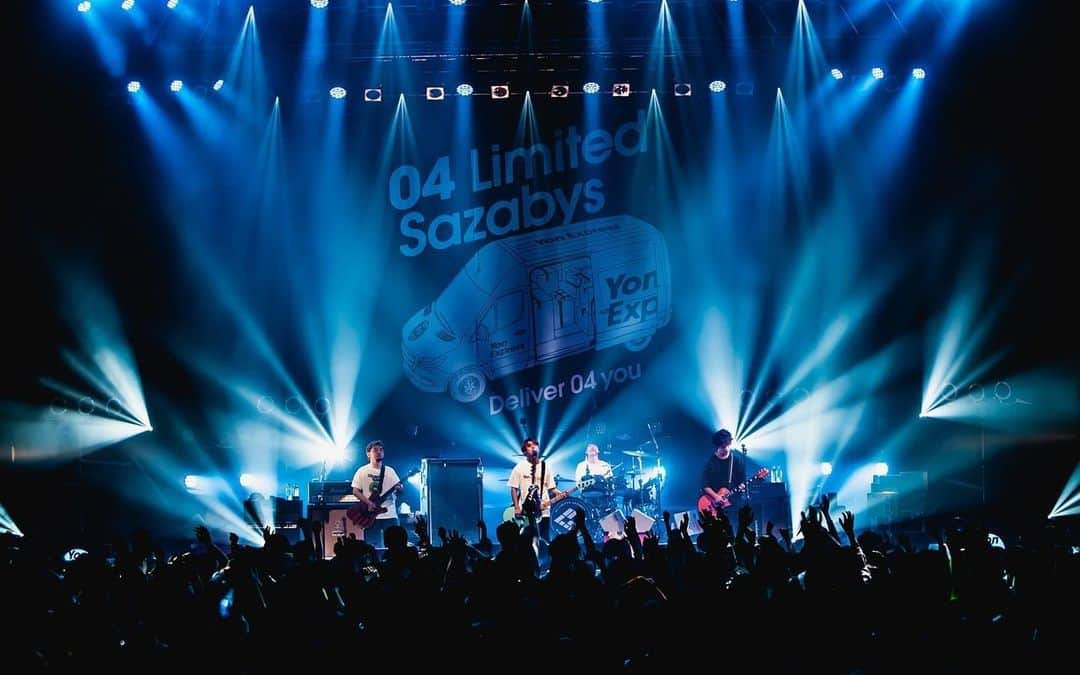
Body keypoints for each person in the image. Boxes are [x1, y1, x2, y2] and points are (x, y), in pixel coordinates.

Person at [351, 440, 404, 547]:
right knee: (372, 547)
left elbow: (400, 491)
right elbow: (355, 491)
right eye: (375, 450)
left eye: (381, 450)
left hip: (390, 514)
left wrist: (400, 489)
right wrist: (369, 503)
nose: (379, 452)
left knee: (395, 546)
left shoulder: (390, 471)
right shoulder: (362, 471)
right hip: (371, 516)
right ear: (368, 453)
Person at [508, 437, 563, 542]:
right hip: (526, 510)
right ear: (524, 452)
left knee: (544, 539)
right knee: (527, 540)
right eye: (529, 446)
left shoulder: (546, 466)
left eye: (535, 445)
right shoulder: (519, 467)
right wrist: (516, 507)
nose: (533, 447)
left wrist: (562, 494)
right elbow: (513, 488)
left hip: (543, 510)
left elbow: (552, 488)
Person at [700, 429, 747, 514]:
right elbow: (705, 485)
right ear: (718, 446)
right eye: (723, 447)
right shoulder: (710, 462)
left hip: (733, 504)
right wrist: (716, 497)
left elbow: (742, 481)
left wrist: (742, 486)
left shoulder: (737, 461)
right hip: (713, 504)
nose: (726, 449)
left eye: (728, 445)